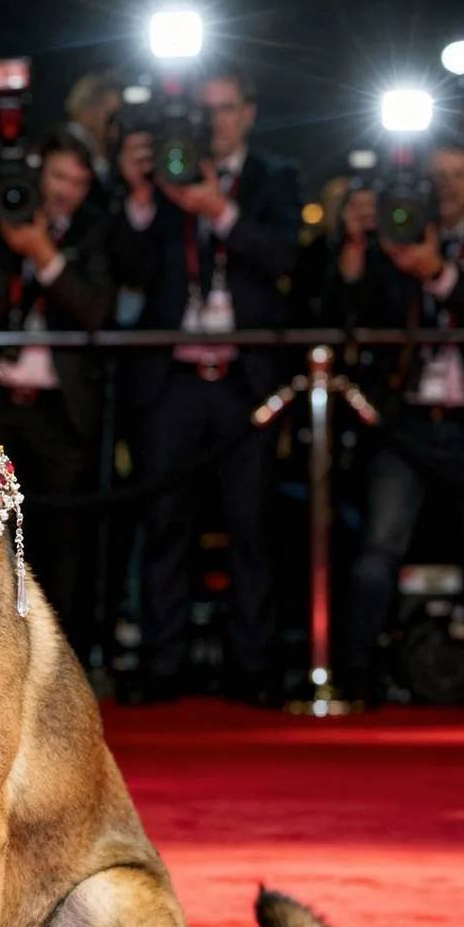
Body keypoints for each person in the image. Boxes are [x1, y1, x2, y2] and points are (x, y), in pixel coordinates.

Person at [118, 66, 302, 703]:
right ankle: (163, 664)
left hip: (246, 381)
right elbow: (134, 273)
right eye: (205, 110)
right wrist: (142, 198)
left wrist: (218, 211)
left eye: (225, 109)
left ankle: (253, 667)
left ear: (248, 112)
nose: (214, 121)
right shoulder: (168, 174)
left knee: (252, 526)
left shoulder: (276, 179)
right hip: (173, 379)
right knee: (165, 523)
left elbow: (288, 262)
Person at [0, 125, 147, 652]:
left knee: (63, 543)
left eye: (77, 181)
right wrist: (4, 236)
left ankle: (62, 661)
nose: (64, 191)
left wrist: (44, 252)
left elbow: (95, 311)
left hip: (61, 411)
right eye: (56, 177)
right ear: (35, 172)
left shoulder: (95, 233)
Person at [331, 141, 464, 701]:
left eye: (459, 175)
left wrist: (439, 275)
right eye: (437, 177)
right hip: (403, 422)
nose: (448, 187)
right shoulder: (392, 234)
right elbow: (343, 316)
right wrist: (358, 247)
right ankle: (356, 675)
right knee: (378, 547)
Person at [64, 71, 123, 186]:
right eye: (111, 115)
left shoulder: (91, 142)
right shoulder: (71, 143)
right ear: (95, 108)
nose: (114, 124)